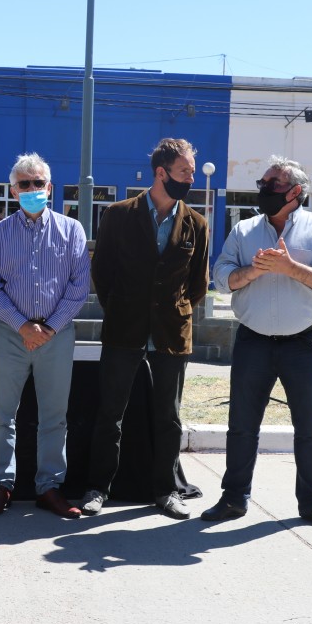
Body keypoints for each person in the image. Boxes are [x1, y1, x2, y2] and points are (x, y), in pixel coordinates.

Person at [202, 155, 312, 531]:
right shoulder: (244, 230)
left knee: (311, 427)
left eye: (273, 184)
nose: (264, 189)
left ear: (295, 192)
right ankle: (233, 499)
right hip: (253, 340)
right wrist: (252, 271)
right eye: (262, 183)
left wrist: (290, 268)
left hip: (305, 342)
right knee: (242, 425)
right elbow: (221, 276)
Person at [81, 138, 209, 520]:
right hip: (124, 330)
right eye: (184, 172)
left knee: (168, 418)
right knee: (110, 415)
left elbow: (198, 284)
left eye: (191, 172)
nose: (190, 179)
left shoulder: (197, 223)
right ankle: (98, 488)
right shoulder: (118, 215)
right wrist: (124, 308)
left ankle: (166, 490)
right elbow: (103, 273)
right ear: (161, 172)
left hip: (172, 333)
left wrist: (173, 312)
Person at [0, 153, 90, 519]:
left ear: (50, 188)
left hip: (57, 335)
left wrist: (50, 328)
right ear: (13, 191)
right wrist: (23, 326)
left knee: (54, 417)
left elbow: (78, 286)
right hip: (10, 334)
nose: (31, 189)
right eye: (24, 184)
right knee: (1, 416)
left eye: (38, 183)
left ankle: (50, 487)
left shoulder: (72, 231)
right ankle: (0, 485)